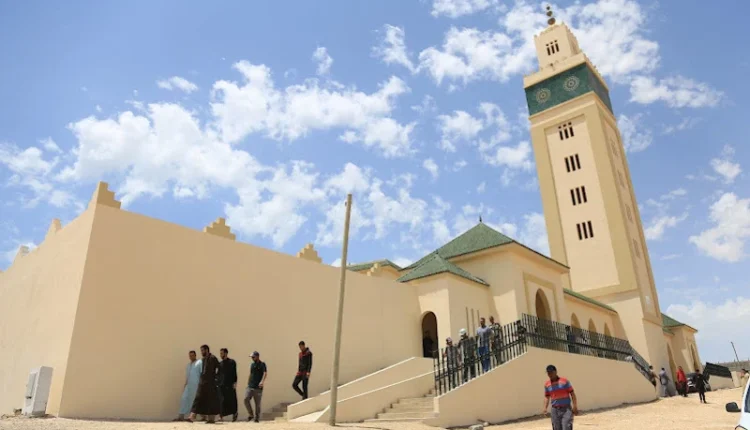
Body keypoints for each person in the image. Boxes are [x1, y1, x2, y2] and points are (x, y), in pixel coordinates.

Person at [187, 345, 221, 424]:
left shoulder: (213, 358)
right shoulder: (203, 359)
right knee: (198, 398)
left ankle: (211, 419)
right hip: (203, 382)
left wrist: (216, 378)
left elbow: (219, 368)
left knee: (211, 400)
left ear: (207, 350)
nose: (201, 352)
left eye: (202, 350)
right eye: (201, 350)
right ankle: (192, 417)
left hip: (211, 383)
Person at [542, 364, 578, 430]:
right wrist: (545, 408)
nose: (550, 374)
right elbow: (547, 397)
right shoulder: (547, 384)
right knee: (556, 428)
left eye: (551, 372)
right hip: (554, 410)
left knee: (566, 427)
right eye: (548, 373)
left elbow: (572, 394)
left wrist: (575, 406)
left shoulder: (564, 381)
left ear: (556, 372)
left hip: (566, 409)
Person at [174, 350, 202, 421]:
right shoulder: (188, 365)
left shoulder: (199, 362)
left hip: (196, 385)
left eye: (192, 355)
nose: (191, 357)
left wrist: (201, 385)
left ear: (195, 355)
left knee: (195, 401)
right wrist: (185, 384)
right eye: (190, 356)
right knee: (184, 398)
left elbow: (202, 374)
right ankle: (181, 416)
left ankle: (197, 417)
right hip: (188, 386)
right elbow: (188, 376)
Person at [244, 351, 267, 422]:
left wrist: (262, 381)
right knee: (246, 399)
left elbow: (265, 373)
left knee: (257, 404)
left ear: (257, 356)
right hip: (250, 386)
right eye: (252, 357)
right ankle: (251, 414)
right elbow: (251, 373)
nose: (252, 358)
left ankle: (257, 418)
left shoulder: (262, 364)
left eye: (253, 357)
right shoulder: (252, 365)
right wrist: (248, 382)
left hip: (258, 387)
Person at [218, 348, 238, 422]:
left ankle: (234, 414)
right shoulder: (220, 364)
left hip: (230, 384)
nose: (220, 355)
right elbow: (219, 374)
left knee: (232, 400)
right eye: (220, 353)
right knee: (222, 400)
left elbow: (234, 373)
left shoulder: (232, 362)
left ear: (226, 353)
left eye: (222, 353)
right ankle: (221, 416)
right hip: (222, 385)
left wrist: (235, 382)